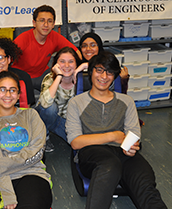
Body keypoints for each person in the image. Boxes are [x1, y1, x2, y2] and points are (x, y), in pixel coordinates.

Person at [66, 51, 166, 209]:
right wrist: (114, 136)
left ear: (115, 76)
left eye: (110, 72)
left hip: (122, 153)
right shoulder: (76, 103)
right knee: (109, 165)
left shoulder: (126, 101)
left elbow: (134, 135)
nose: (104, 76)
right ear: (91, 72)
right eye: (99, 70)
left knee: (145, 182)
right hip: (92, 152)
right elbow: (76, 142)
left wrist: (131, 148)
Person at [0, 71, 52, 209]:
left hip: (31, 173)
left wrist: (5, 163)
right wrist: (7, 193)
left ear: (18, 94)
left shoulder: (31, 115)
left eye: (13, 90)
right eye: (2, 90)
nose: (8, 95)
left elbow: (37, 152)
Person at [12, 4, 81, 91]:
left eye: (49, 21)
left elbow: (77, 53)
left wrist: (75, 71)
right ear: (34, 23)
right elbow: (6, 60)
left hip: (42, 75)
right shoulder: (23, 39)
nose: (46, 25)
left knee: (58, 90)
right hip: (21, 77)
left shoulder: (55, 37)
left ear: (53, 24)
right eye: (42, 20)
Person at [36, 47, 87, 152]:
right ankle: (45, 135)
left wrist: (85, 65)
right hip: (49, 116)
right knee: (50, 108)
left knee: (79, 144)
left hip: (66, 121)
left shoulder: (82, 78)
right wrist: (59, 76)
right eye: (62, 61)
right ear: (56, 64)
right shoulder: (50, 78)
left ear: (76, 63)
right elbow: (45, 104)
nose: (67, 66)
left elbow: (103, 66)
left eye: (71, 62)